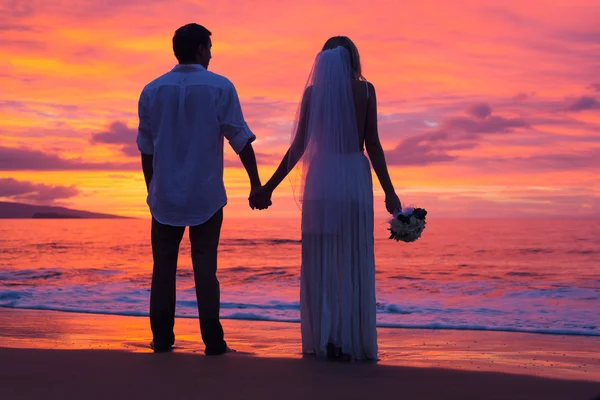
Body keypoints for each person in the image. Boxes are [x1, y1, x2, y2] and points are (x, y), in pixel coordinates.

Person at [251, 36, 401, 361]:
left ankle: (326, 338)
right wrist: (390, 190)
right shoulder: (365, 90)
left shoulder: (312, 93)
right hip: (352, 179)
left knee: (322, 261)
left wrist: (269, 187)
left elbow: (298, 146)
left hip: (321, 180)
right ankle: (351, 340)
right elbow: (372, 143)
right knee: (352, 259)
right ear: (353, 59)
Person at [136, 23, 270, 354]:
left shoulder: (152, 90)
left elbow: (146, 148)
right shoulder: (219, 87)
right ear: (199, 48)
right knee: (205, 268)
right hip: (205, 193)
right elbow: (240, 138)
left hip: (165, 195)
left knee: (162, 269)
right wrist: (256, 184)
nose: (211, 54)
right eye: (209, 48)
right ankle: (213, 341)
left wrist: (152, 189)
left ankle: (163, 339)